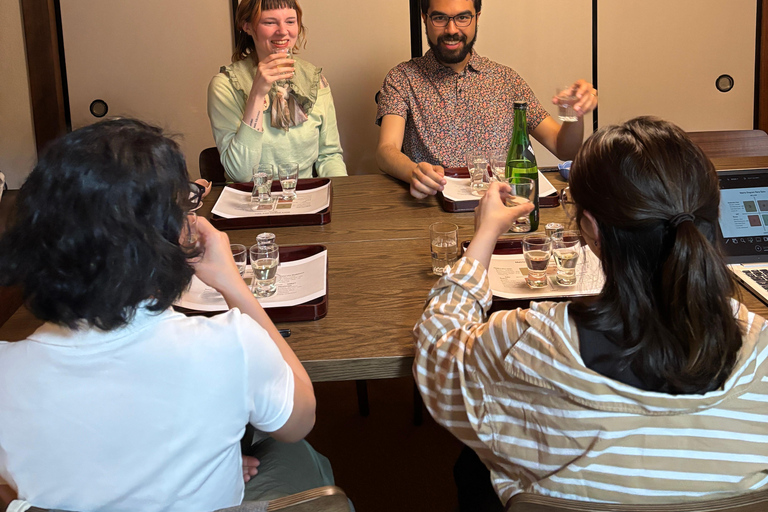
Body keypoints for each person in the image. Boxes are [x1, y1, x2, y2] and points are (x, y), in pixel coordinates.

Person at [413, 117, 768, 508]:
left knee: (473, 464)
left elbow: (436, 348)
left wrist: (484, 233)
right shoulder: (762, 351)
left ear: (590, 229)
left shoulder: (531, 344)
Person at [0, 119, 334, 512]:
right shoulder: (230, 344)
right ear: (165, 236)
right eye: (185, 204)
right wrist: (233, 284)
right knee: (299, 455)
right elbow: (300, 420)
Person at [376, 0, 598, 199]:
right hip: (433, 207)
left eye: (463, 17)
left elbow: (563, 149)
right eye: (440, 18)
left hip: (505, 208)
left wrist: (574, 112)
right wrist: (414, 172)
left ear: (477, 17)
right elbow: (387, 149)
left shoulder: (506, 80)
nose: (451, 30)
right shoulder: (402, 78)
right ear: (425, 18)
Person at [208, 0, 347, 183]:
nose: (282, 31)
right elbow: (240, 174)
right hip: (250, 197)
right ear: (247, 26)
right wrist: (257, 95)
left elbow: (330, 156)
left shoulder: (315, 81)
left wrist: (342, 194)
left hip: (305, 195)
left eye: (290, 21)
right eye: (270, 22)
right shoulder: (225, 86)